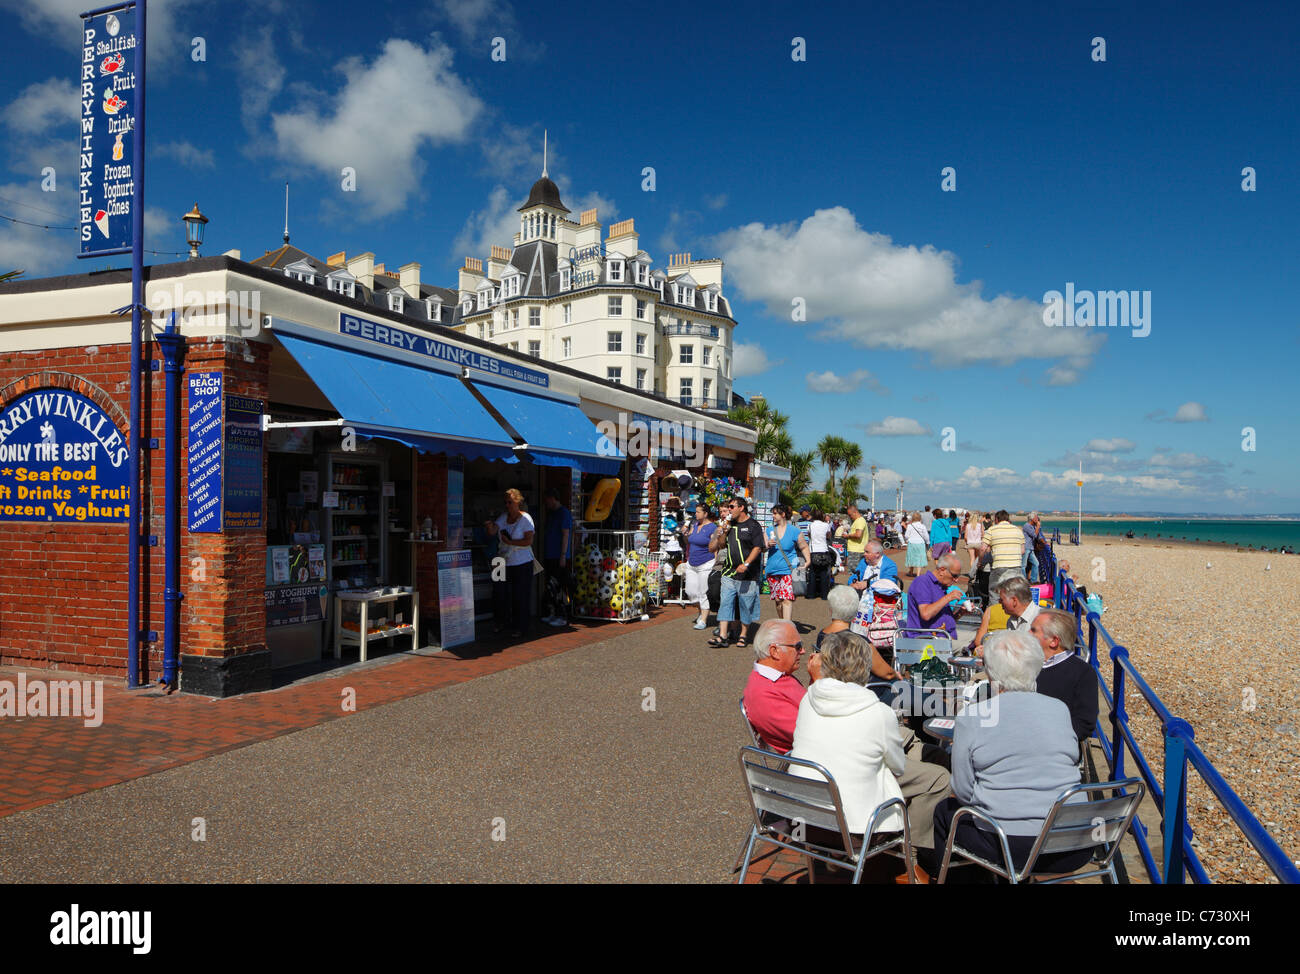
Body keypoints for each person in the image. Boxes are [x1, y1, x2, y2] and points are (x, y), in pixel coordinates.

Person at [923, 630, 1091, 880]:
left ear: (990, 672)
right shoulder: (1059, 709)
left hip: (1006, 845)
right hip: (1070, 842)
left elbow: (964, 790)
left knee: (945, 812)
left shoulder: (973, 716)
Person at [789, 630, 951, 856]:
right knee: (938, 778)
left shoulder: (809, 699)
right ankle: (914, 856)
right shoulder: (877, 712)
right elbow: (897, 766)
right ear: (864, 667)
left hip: (804, 822)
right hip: (853, 830)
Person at [743, 618, 812, 755]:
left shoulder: (778, 677)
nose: (803, 651)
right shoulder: (764, 694)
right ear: (774, 651)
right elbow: (811, 734)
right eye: (797, 646)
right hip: (816, 763)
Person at [1031, 608, 1099, 744]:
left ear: (1053, 641)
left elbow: (1084, 724)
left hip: (1054, 748)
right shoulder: (1025, 663)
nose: (1027, 633)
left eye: (1033, 630)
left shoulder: (1083, 673)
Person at [708, 496, 765, 648]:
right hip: (728, 571)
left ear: (741, 508)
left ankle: (743, 635)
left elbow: (758, 547)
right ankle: (723, 635)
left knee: (745, 604)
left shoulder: (753, 525)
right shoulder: (729, 525)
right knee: (725, 602)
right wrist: (723, 533)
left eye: (732, 507)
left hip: (748, 573)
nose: (729, 510)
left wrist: (746, 564)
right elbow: (720, 545)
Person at [817, 585, 901, 683]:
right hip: (857, 688)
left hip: (830, 685)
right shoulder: (860, 642)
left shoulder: (821, 635)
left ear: (830, 610)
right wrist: (896, 674)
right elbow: (887, 673)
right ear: (855, 612)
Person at [484, 488, 535, 638]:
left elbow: (529, 541)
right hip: (501, 560)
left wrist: (511, 541)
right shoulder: (503, 517)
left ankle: (520, 626)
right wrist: (488, 525)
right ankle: (500, 622)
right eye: (506, 502)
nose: (507, 505)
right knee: (499, 593)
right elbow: (492, 533)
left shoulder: (526, 518)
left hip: (521, 561)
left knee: (520, 595)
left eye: (510, 502)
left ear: (518, 502)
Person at [904, 552, 966, 640]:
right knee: (981, 646)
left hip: (945, 637)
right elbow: (926, 614)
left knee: (981, 640)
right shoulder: (922, 582)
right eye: (954, 576)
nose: (956, 580)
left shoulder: (941, 586)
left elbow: (945, 621)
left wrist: (961, 612)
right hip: (928, 639)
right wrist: (948, 597)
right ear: (942, 570)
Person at [765, 504, 811, 622]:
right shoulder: (769, 530)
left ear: (783, 514)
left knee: (787, 599)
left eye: (775, 513)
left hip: (788, 570)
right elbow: (763, 547)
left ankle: (787, 627)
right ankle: (782, 623)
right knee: (778, 602)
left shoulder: (794, 531)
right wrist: (767, 544)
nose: (773, 516)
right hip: (772, 570)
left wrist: (808, 561)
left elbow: (804, 546)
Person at [681, 503, 718, 630]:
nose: (695, 514)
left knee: (703, 592)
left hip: (706, 563)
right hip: (692, 562)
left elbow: (715, 546)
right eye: (695, 512)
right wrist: (685, 535)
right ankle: (701, 611)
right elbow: (688, 542)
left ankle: (703, 619)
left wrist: (716, 562)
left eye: (698, 512)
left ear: (705, 513)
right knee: (690, 592)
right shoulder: (694, 525)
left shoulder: (712, 527)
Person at [540, 487, 572, 627]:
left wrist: (563, 555)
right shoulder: (552, 513)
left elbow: (566, 534)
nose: (545, 502)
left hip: (559, 556)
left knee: (559, 586)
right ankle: (553, 613)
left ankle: (563, 616)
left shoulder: (564, 513)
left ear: (552, 498)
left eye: (546, 499)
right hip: (549, 555)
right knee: (551, 586)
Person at [984, 510, 1026, 594]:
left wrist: (980, 562)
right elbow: (1022, 551)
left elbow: (983, 548)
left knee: (995, 592)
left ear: (996, 519)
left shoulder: (991, 530)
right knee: (1014, 593)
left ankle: (995, 607)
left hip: (999, 565)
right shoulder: (1018, 530)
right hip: (1016, 565)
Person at [806, 507, 835, 600]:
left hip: (813, 551)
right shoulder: (826, 525)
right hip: (824, 550)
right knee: (824, 574)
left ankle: (811, 594)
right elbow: (828, 536)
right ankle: (824, 594)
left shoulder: (810, 525)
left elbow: (809, 536)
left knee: (812, 574)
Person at [1023, 512, 1045, 584]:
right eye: (1036, 518)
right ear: (1032, 519)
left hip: (1030, 548)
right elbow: (1034, 535)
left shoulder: (1033, 526)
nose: (1037, 519)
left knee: (1036, 563)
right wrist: (1038, 527)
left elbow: (1038, 536)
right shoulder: (1027, 526)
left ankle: (1033, 580)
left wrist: (1044, 542)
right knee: (1023, 565)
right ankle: (1023, 581)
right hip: (1026, 548)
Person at [964, 511, 984, 576]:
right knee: (977, 558)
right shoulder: (980, 525)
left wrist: (966, 542)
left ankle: (972, 573)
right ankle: (977, 572)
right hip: (978, 543)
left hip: (970, 543)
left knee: (972, 558)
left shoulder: (968, 525)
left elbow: (965, 536)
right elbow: (983, 535)